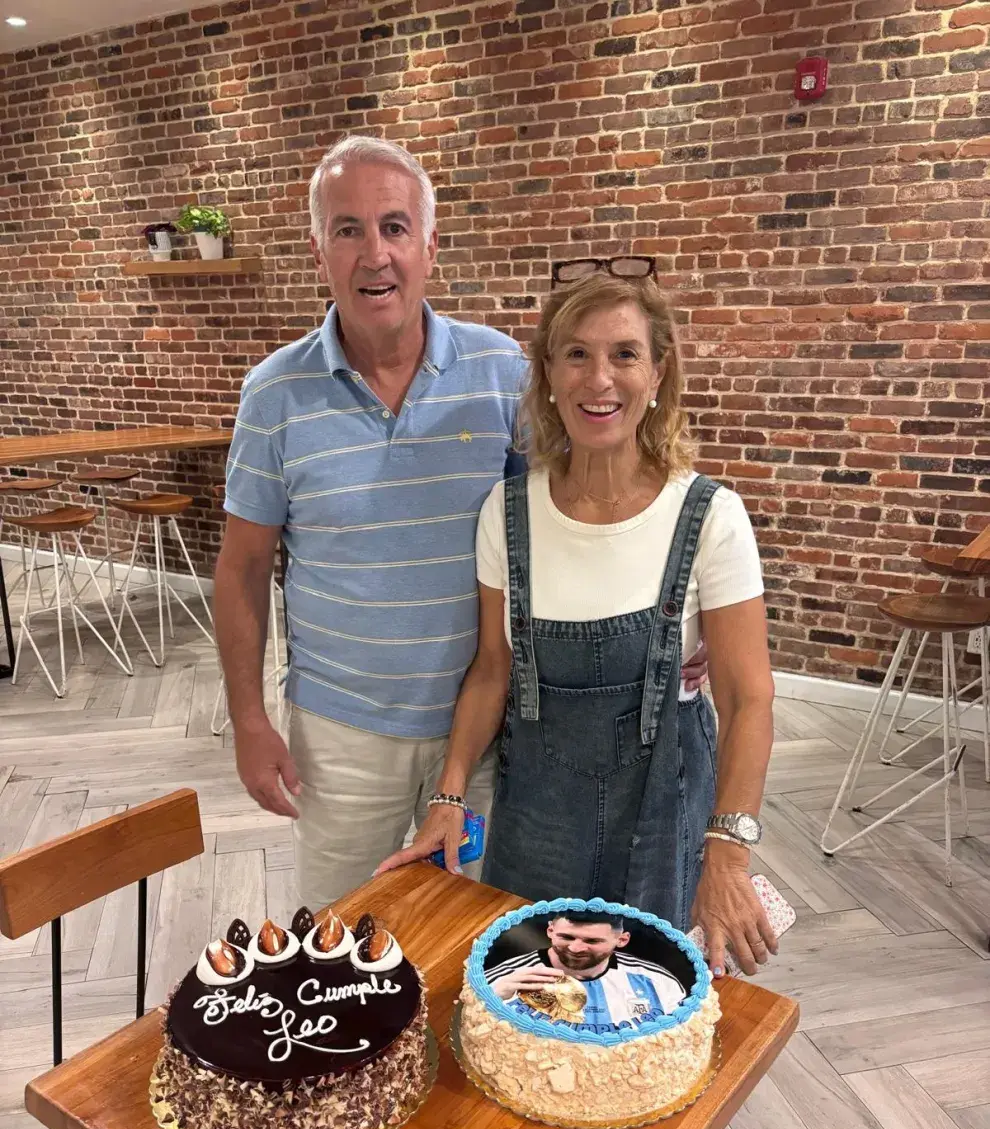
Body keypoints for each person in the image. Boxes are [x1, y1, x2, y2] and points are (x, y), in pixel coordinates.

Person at [215, 137, 708, 904]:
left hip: (482, 733)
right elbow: (242, 571)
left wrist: (681, 618)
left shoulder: (504, 374)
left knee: (471, 931)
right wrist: (248, 721)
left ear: (428, 245)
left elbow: (576, 513)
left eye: (394, 227)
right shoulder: (274, 395)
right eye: (348, 230)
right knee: (341, 940)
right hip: (342, 735)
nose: (374, 254)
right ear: (319, 251)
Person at [377, 267, 778, 981]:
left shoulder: (711, 516)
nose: (600, 380)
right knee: (529, 992)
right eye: (577, 354)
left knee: (651, 1001)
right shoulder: (506, 514)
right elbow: (493, 672)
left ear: (658, 374)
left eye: (624, 354)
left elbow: (752, 698)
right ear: (548, 376)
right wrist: (449, 794)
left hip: (666, 810)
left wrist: (728, 851)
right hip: (536, 813)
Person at [488, 911, 686, 1023]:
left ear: (622, 940)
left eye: (592, 941)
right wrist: (491, 998)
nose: (575, 948)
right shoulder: (505, 980)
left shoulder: (659, 982)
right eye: (566, 937)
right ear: (550, 930)